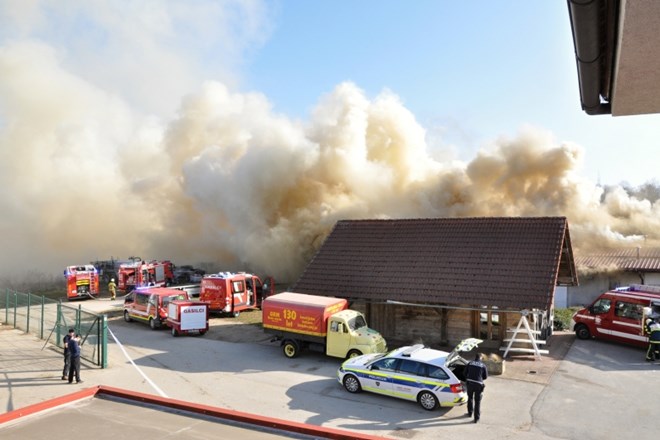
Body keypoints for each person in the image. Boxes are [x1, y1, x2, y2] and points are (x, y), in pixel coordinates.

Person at [465, 352, 488, 423]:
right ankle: (476, 418)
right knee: (477, 401)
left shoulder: (470, 363)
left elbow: (464, 373)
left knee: (470, 398)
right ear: (481, 358)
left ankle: (470, 413)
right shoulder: (483, 365)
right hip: (478, 385)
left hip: (470, 383)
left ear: (475, 357)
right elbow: (485, 376)